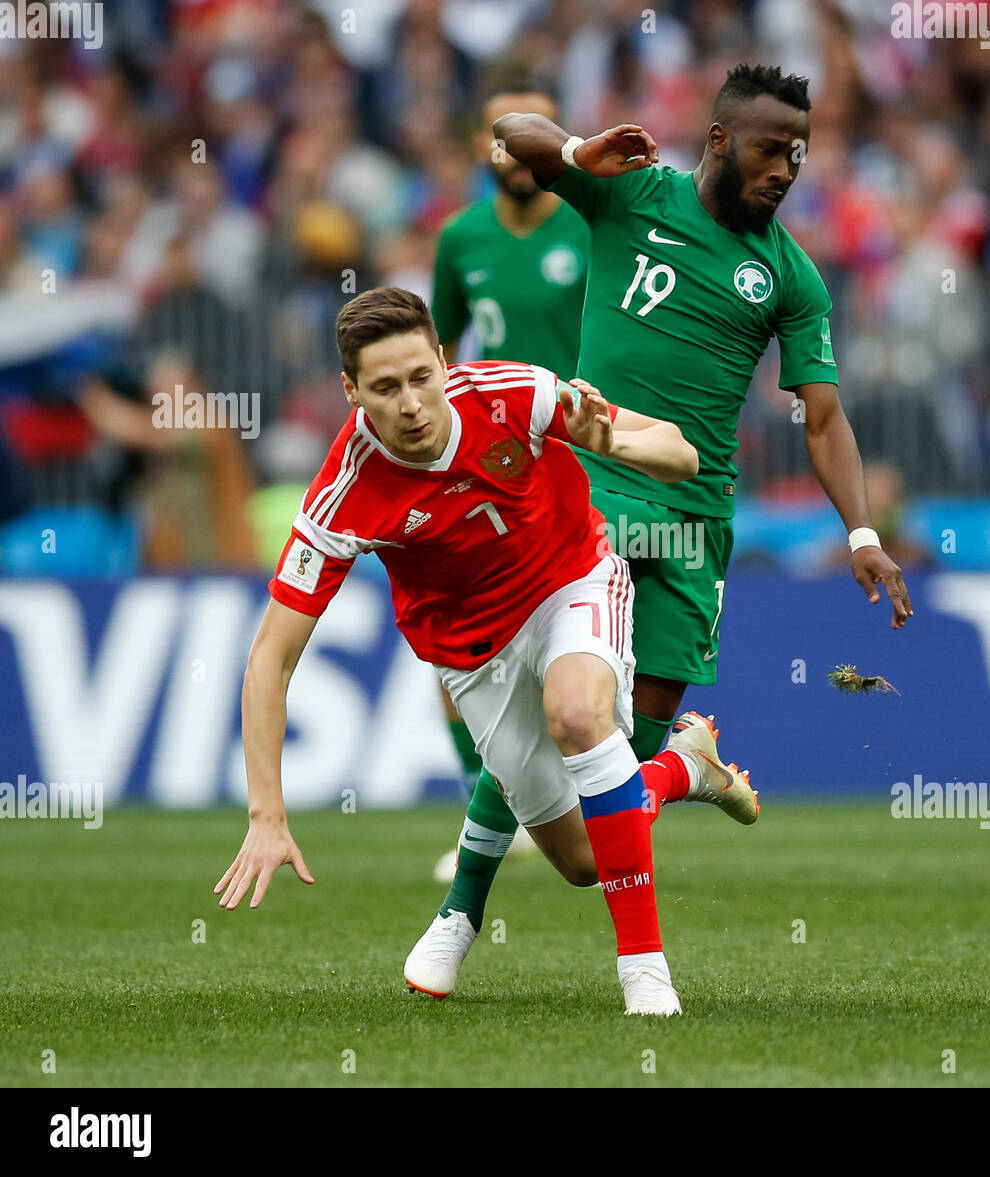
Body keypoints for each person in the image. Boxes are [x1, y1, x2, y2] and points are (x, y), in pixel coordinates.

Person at [426, 64, 914, 985]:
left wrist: (859, 533)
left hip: (694, 526)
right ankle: (461, 914)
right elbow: (513, 134)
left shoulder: (790, 275)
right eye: (771, 149)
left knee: (613, 795)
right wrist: (576, 150)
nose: (786, 169)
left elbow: (822, 417)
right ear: (722, 140)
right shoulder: (629, 193)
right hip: (592, 494)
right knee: (551, 721)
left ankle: (684, 763)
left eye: (799, 154)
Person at [214, 286, 756, 1015]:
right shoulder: (343, 493)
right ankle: (683, 767)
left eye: (420, 377)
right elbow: (270, 659)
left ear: (443, 361)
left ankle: (645, 973)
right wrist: (266, 815)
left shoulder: (515, 393)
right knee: (584, 860)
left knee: (574, 714)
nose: (410, 403)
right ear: (350, 392)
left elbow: (681, 452)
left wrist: (609, 439)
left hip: (573, 581)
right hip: (473, 655)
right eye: (383, 388)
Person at [429, 85, 588, 866]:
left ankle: (578, 797)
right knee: (452, 647)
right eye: (504, 135)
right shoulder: (460, 238)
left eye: (536, 134)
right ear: (484, 148)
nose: (521, 152)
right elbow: (434, 351)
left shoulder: (591, 231)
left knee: (573, 651)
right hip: (482, 471)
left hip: (577, 466)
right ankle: (482, 815)